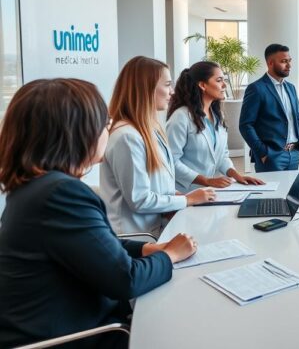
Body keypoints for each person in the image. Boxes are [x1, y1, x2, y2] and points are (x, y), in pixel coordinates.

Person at [0, 78, 197, 348]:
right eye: (105, 122)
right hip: (81, 337)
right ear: (78, 131)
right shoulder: (60, 193)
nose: (109, 128)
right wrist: (170, 254)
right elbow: (125, 280)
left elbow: (93, 245)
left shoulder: (32, 187)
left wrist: (146, 250)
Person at [101, 56, 215, 236]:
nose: (172, 92)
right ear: (146, 88)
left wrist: (175, 196)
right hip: (137, 238)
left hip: (156, 229)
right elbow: (140, 200)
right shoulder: (127, 137)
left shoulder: (150, 128)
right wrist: (187, 199)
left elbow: (158, 182)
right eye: (167, 84)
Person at [166, 61, 264, 193]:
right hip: (186, 192)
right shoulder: (181, 117)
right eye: (219, 80)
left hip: (210, 192)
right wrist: (205, 180)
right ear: (202, 85)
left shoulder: (217, 115)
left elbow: (222, 155)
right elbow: (171, 161)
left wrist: (236, 175)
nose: (224, 85)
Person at [240, 44, 299, 172]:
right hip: (272, 156)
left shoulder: (291, 88)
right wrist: (262, 152)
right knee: (273, 192)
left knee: (291, 192)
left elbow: (297, 119)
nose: (289, 65)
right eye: (283, 62)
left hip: (294, 154)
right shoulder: (256, 88)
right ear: (270, 63)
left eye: (289, 61)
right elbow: (245, 125)